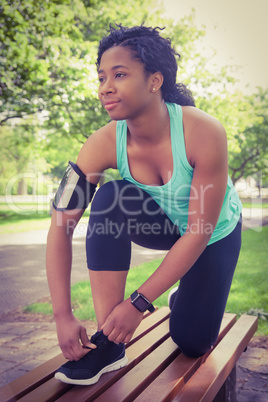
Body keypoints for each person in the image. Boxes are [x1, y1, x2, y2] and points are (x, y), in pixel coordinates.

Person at [46, 24, 242, 386]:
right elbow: (60, 225)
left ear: (154, 81)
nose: (105, 86)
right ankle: (109, 342)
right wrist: (62, 314)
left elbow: (199, 233)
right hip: (162, 223)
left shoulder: (204, 131)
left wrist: (139, 303)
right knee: (110, 196)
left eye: (119, 75)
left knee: (193, 343)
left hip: (212, 234)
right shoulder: (101, 144)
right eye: (102, 76)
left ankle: (185, 295)